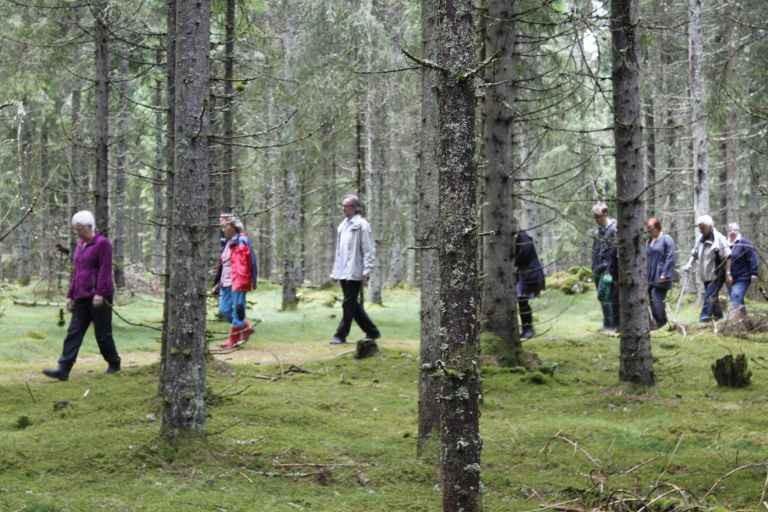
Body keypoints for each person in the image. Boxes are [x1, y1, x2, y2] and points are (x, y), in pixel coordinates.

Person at [42, 211, 121, 381]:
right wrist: (70, 296)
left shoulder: (103, 244)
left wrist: (100, 293)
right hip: (81, 296)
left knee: (102, 334)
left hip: (100, 297)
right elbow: (77, 273)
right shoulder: (80, 245)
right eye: (75, 229)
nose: (77, 232)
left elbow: (105, 270)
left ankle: (114, 363)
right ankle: (63, 369)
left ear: (89, 227)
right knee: (74, 332)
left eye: (79, 229)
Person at [329, 193, 381, 345]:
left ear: (355, 208)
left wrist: (367, 270)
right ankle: (372, 331)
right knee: (352, 304)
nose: (344, 209)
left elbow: (368, 249)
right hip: (343, 271)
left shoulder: (362, 225)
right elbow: (339, 251)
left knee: (348, 303)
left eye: (347, 206)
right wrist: (335, 271)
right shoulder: (342, 226)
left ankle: (340, 334)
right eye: (343, 206)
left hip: (355, 270)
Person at [215, 216, 258, 349]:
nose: (224, 229)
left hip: (238, 281)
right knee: (224, 310)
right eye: (222, 227)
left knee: (238, 309)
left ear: (234, 227)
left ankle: (232, 340)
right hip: (225, 282)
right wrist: (217, 283)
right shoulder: (226, 243)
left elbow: (250, 262)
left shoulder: (242, 241)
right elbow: (224, 264)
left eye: (226, 226)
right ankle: (245, 327)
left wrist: (248, 280)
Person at [682, 215, 731, 322]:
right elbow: (694, 253)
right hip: (705, 273)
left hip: (717, 272)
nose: (700, 229)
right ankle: (719, 316)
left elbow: (728, 256)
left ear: (709, 226)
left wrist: (727, 273)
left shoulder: (719, 239)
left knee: (709, 294)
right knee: (713, 295)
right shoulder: (700, 239)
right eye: (699, 227)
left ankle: (704, 318)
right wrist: (689, 264)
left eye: (702, 227)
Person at [591, 202, 620, 332]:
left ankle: (612, 325)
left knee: (608, 296)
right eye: (594, 217)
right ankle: (607, 324)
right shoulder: (597, 232)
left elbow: (615, 251)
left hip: (610, 269)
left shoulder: (614, 229)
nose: (596, 219)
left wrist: (610, 268)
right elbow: (595, 250)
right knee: (602, 296)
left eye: (598, 216)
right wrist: (594, 267)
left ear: (605, 214)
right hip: (597, 268)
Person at [645, 218, 676, 329]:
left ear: (657, 228)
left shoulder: (666, 239)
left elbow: (671, 257)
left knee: (656, 299)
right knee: (651, 301)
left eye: (651, 229)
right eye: (647, 230)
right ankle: (658, 324)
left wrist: (665, 274)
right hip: (650, 277)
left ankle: (663, 324)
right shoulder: (649, 241)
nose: (649, 232)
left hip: (661, 276)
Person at [515, 230, 545, 339]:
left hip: (529, 274)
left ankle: (528, 330)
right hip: (525, 273)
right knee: (522, 301)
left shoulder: (523, 237)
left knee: (523, 301)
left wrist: (512, 261)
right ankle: (526, 329)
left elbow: (524, 254)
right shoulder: (520, 237)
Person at [725, 223, 759, 316]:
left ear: (738, 231)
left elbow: (753, 258)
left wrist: (754, 273)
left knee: (736, 295)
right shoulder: (725, 244)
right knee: (737, 299)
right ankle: (745, 321)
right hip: (729, 278)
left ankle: (732, 321)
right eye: (730, 230)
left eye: (735, 230)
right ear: (727, 231)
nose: (732, 232)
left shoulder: (744, 243)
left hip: (743, 277)